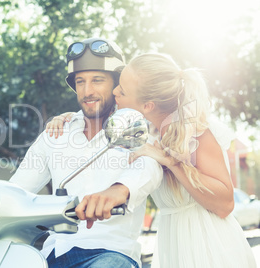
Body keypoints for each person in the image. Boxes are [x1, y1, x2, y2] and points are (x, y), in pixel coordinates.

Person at [0, 38, 163, 268]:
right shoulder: (56, 132)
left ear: (116, 84)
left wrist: (118, 191)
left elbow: (150, 167)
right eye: (80, 82)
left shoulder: (134, 128)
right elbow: (15, 191)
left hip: (110, 252)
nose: (87, 91)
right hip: (51, 253)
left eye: (97, 80)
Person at [46, 53, 257, 267]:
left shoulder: (196, 131)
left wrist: (171, 162)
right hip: (173, 242)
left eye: (123, 90)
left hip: (209, 245)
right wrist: (68, 119)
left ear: (148, 105)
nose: (114, 91)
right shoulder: (150, 133)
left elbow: (225, 204)